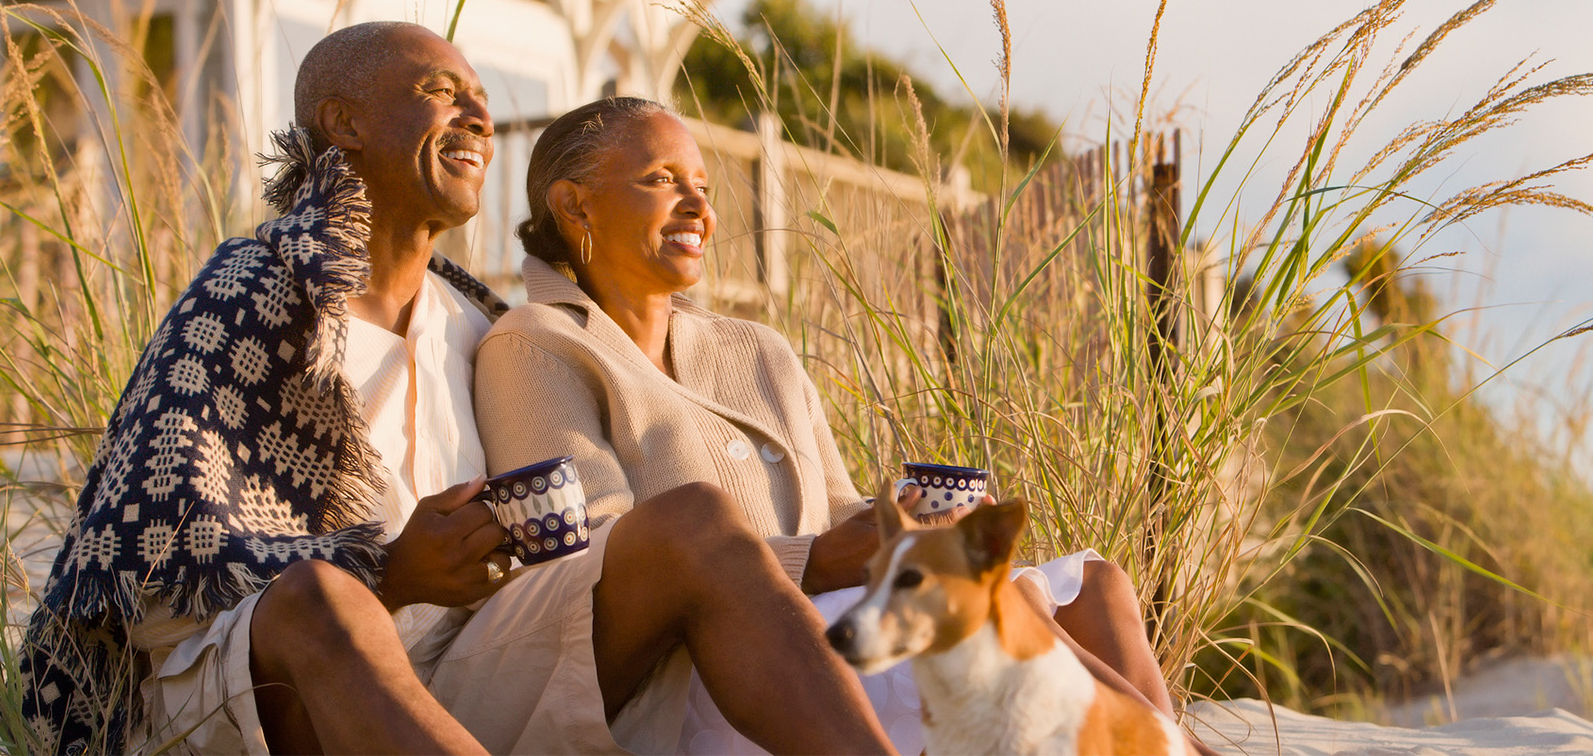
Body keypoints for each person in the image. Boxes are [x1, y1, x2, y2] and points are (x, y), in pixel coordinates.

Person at [17, 24, 894, 755]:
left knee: (694, 523)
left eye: (479, 93)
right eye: (442, 90)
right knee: (325, 600)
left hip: (463, 667)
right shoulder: (252, 293)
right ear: (344, 122)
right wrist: (389, 571)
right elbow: (153, 579)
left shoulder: (476, 322)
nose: (478, 111)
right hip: (261, 689)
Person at [473, 96, 1210, 754]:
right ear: (575, 207)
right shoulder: (538, 342)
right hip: (720, 665)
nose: (698, 205)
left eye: (703, 184)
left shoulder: (758, 348)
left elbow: (840, 508)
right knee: (995, 610)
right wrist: (818, 558)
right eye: (662, 179)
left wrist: (912, 530)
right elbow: (603, 567)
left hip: (829, 611)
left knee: (1094, 587)